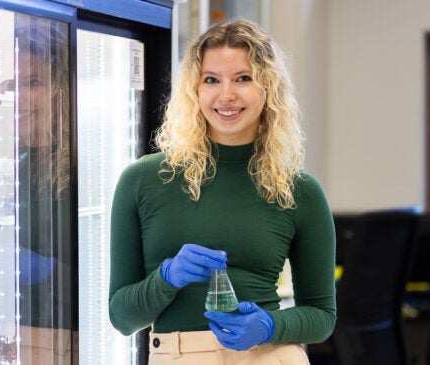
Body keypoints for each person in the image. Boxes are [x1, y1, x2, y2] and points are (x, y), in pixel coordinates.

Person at [109, 18, 336, 365]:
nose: (226, 95)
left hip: (269, 356)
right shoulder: (143, 180)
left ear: (267, 88)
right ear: (194, 90)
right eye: (211, 80)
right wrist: (166, 278)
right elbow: (122, 318)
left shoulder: (299, 190)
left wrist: (270, 325)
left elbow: (322, 316)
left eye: (243, 79)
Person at [0, 17, 76, 364]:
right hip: (15, 330)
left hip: (65, 335)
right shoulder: (17, 163)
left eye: (32, 83)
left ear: (60, 88)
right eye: (13, 83)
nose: (20, 97)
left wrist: (50, 272)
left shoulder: (81, 168)